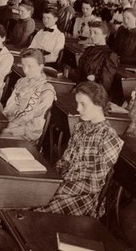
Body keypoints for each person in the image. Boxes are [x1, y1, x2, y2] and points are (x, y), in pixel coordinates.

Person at [39, 81, 123, 218]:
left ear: (99, 105)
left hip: (84, 198)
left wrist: (58, 189)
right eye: (77, 103)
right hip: (64, 185)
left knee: (38, 213)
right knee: (28, 198)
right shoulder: (80, 126)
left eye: (83, 104)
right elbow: (64, 161)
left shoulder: (109, 138)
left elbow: (93, 186)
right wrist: (50, 181)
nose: (78, 109)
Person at [0, 49, 55, 143]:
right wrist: (0, 121)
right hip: (11, 123)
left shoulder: (46, 91)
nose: (25, 70)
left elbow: (33, 125)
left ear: (40, 66)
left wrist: (8, 129)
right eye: (23, 65)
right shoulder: (21, 81)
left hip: (26, 134)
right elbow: (9, 107)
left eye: (30, 66)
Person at [68, 21, 119, 95]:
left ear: (105, 35)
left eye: (95, 33)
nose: (92, 35)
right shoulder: (89, 50)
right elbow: (79, 72)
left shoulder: (110, 55)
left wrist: (94, 80)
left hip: (94, 93)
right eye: (90, 32)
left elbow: (105, 84)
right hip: (81, 87)